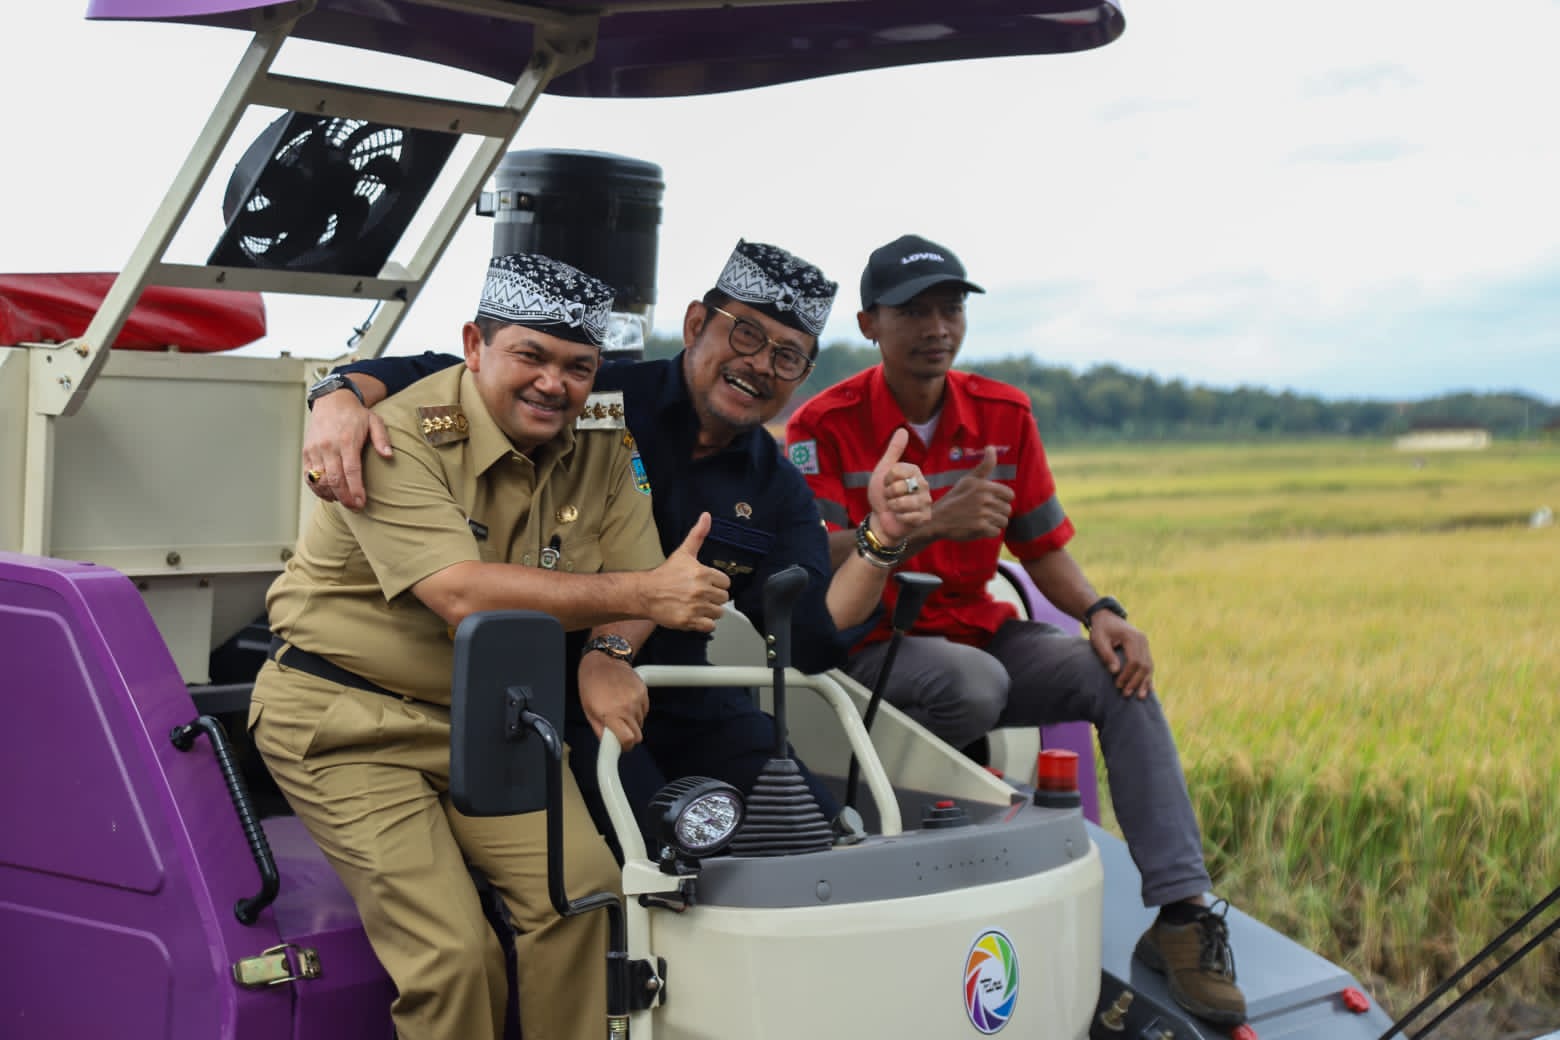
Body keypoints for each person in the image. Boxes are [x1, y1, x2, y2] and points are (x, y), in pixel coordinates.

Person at [254, 252, 735, 1040]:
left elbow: (642, 566)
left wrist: (608, 652)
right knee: (453, 956)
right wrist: (640, 599)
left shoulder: (604, 438)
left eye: (578, 366)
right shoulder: (396, 431)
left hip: (494, 719)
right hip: (348, 720)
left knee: (582, 897)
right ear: (474, 345)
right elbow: (462, 592)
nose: (555, 383)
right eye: (531, 356)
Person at [301, 239, 931, 836]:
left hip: (675, 690)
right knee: (658, 848)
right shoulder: (597, 395)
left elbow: (811, 638)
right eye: (745, 334)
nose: (760, 365)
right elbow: (466, 371)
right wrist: (337, 394)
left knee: (808, 829)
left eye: (787, 356)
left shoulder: (778, 487)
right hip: (546, 686)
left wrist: (880, 539)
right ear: (694, 326)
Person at [783, 234, 1247, 1027]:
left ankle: (1179, 915)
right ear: (868, 324)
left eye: (951, 308)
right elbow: (818, 565)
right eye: (915, 311)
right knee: (975, 684)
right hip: (867, 646)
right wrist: (932, 524)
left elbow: (1044, 546)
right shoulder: (822, 424)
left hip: (979, 628)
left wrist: (1103, 613)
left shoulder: (1003, 415)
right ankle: (930, 852)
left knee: (1116, 675)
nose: (938, 326)